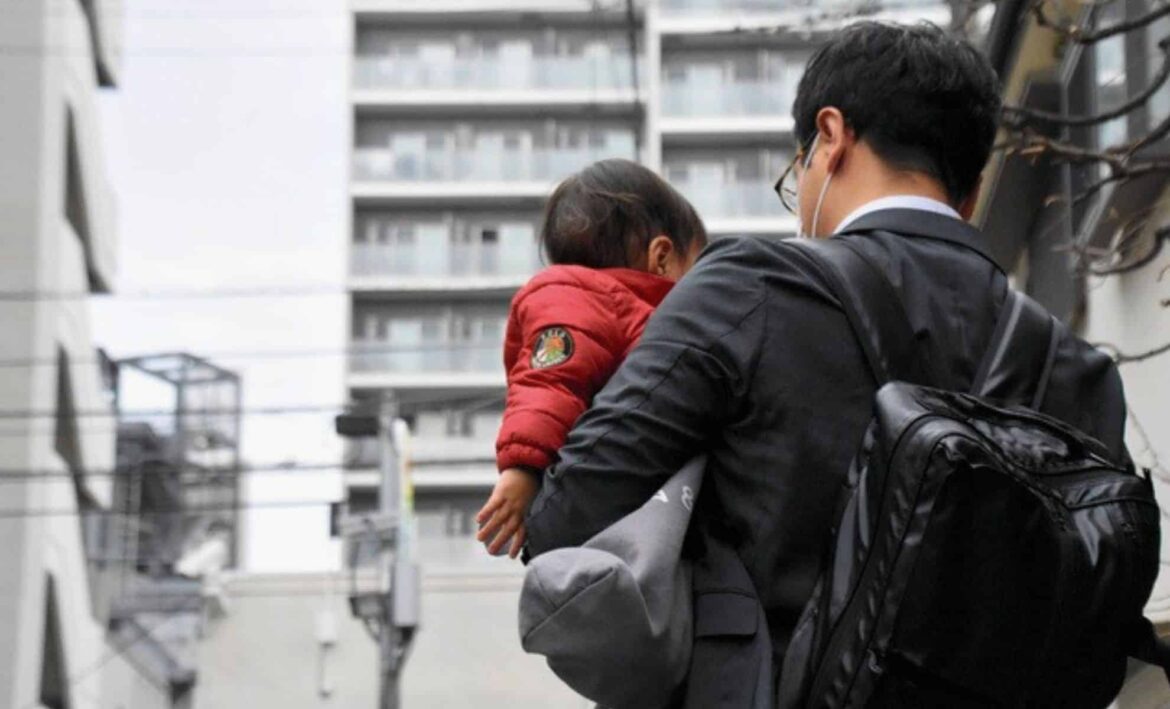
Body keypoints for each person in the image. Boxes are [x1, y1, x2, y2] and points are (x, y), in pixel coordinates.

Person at [523, 19, 1127, 680]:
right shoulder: (1076, 368)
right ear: (974, 191)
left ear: (831, 138)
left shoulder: (749, 290)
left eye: (798, 169)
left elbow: (562, 517)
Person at [475, 158, 708, 558]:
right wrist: (523, 470)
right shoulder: (578, 301)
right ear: (662, 258)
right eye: (697, 269)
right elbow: (549, 383)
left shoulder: (617, 309)